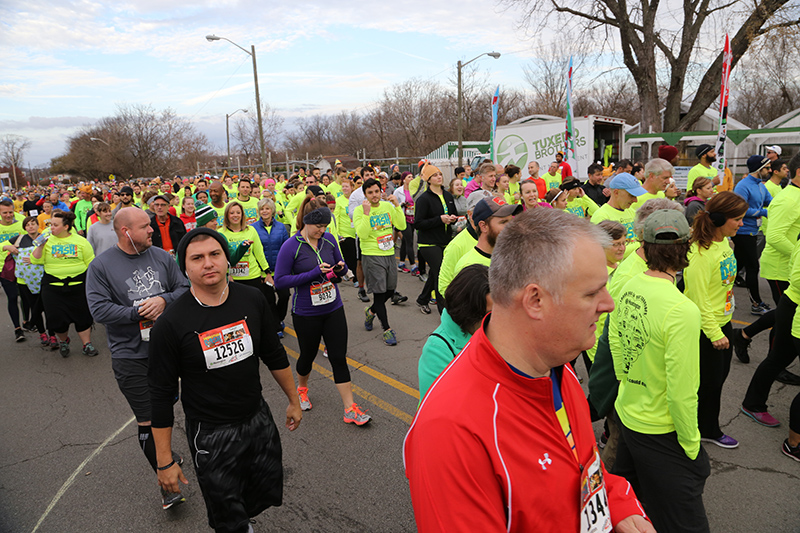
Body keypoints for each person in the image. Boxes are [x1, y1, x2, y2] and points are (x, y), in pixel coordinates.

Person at [404, 208, 652, 533]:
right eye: (592, 292)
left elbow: (583, 465)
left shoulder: (556, 368)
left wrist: (620, 507)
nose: (609, 304)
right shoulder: (451, 430)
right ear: (535, 300)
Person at [149, 228, 302, 533]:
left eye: (215, 254)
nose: (208, 263)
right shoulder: (170, 324)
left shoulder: (253, 299)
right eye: (197, 258)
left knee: (261, 491)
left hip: (257, 419)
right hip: (211, 432)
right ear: (185, 267)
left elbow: (273, 354)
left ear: (226, 259)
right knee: (226, 512)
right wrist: (164, 461)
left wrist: (294, 400)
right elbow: (161, 394)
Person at [610, 209, 710, 532]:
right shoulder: (682, 310)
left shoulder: (626, 281)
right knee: (686, 523)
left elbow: (615, 340)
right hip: (661, 429)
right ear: (686, 248)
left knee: (633, 509)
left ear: (644, 246)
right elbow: (682, 391)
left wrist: (629, 383)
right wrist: (692, 445)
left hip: (628, 413)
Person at [86, 207, 190, 510]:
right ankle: (167, 485)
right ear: (125, 232)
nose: (152, 231)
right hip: (130, 355)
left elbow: (183, 288)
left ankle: (166, 451)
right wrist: (138, 312)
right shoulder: (101, 266)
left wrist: (163, 300)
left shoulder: (161, 256)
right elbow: (99, 310)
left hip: (167, 351)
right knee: (149, 419)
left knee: (167, 406)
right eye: (145, 227)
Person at [273, 202, 372, 425]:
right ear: (306, 221)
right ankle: (302, 388)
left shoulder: (328, 240)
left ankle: (350, 409)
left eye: (325, 225)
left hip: (333, 308)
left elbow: (341, 269)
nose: (322, 230)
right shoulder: (291, 246)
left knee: (338, 357)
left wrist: (338, 271)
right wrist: (313, 273)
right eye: (318, 225)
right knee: (307, 356)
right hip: (306, 311)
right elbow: (280, 281)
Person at [683, 191, 748, 449]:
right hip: (706, 329)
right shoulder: (700, 254)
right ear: (721, 218)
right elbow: (698, 299)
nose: (742, 224)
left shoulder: (723, 243)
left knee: (717, 380)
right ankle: (704, 430)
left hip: (723, 321)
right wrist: (715, 333)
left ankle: (704, 426)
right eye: (738, 219)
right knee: (707, 385)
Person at [31, 210, 98, 357]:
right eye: (50, 224)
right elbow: (35, 259)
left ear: (66, 226)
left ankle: (87, 344)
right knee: (57, 318)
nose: (51, 227)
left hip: (78, 285)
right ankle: (63, 341)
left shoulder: (80, 241)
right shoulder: (46, 239)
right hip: (53, 287)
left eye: (55, 225)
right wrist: (41, 246)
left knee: (83, 317)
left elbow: (91, 263)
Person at [418, 264, 491, 398]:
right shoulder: (437, 349)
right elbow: (438, 407)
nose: (496, 320)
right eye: (488, 314)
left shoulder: (491, 333)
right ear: (469, 312)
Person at [353, 177, 406, 345]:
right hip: (371, 254)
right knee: (379, 293)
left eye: (376, 191)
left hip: (389, 253)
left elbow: (401, 225)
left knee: (390, 290)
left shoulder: (388, 206)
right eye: (370, 193)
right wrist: (367, 213)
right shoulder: (360, 211)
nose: (374, 195)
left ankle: (371, 311)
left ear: (381, 191)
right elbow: (362, 234)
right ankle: (387, 329)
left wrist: (397, 206)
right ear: (365, 195)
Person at [413, 164, 457, 315]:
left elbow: (454, 214)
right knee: (440, 273)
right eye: (435, 175)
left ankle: (423, 299)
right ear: (428, 180)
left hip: (445, 240)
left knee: (435, 272)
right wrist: (439, 219)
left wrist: (452, 219)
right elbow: (418, 223)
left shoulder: (448, 196)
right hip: (428, 243)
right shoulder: (423, 199)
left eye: (440, 174)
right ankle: (444, 312)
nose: (439, 177)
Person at [732, 155, 773, 315]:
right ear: (758, 169)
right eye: (767, 168)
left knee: (734, 267)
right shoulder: (743, 186)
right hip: (742, 231)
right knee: (753, 267)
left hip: (753, 231)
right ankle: (756, 303)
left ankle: (718, 293)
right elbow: (739, 209)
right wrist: (763, 212)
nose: (769, 171)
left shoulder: (761, 185)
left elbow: (771, 201)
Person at [450, 197, 520, 288]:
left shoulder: (509, 256)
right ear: (483, 226)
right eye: (504, 222)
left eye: (511, 221)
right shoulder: (469, 268)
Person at [252, 197, 290, 337]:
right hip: (263, 272)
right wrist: (262, 270)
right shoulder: (253, 228)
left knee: (285, 296)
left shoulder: (281, 227)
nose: (265, 211)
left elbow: (286, 248)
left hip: (280, 270)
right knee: (269, 300)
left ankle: (279, 318)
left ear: (272, 210)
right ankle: (276, 326)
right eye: (262, 209)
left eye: (267, 208)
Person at [591, 173, 647, 259]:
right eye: (631, 196)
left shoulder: (632, 212)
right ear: (616, 192)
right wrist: (641, 244)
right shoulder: (601, 216)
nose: (635, 200)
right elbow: (601, 253)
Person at [217, 201, 269, 290]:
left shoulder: (251, 230)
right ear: (226, 215)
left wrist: (267, 272)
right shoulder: (221, 233)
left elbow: (259, 252)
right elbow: (219, 258)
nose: (235, 215)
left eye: (238, 212)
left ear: (242, 215)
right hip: (232, 278)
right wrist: (226, 275)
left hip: (252, 276)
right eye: (232, 213)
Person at [0, 199, 25, 341]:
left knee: (25, 296)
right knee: (12, 297)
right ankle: (17, 328)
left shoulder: (20, 224)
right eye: (5, 213)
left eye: (10, 212)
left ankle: (27, 320)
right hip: (3, 268)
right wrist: (5, 246)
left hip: (20, 266)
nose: (8, 215)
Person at [394, 172, 417, 274]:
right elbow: (393, 204)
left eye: (412, 177)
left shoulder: (414, 190)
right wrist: (402, 204)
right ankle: (413, 266)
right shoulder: (398, 191)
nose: (411, 178)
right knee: (409, 241)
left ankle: (401, 263)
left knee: (404, 241)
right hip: (404, 219)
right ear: (404, 179)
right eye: (409, 177)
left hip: (413, 218)